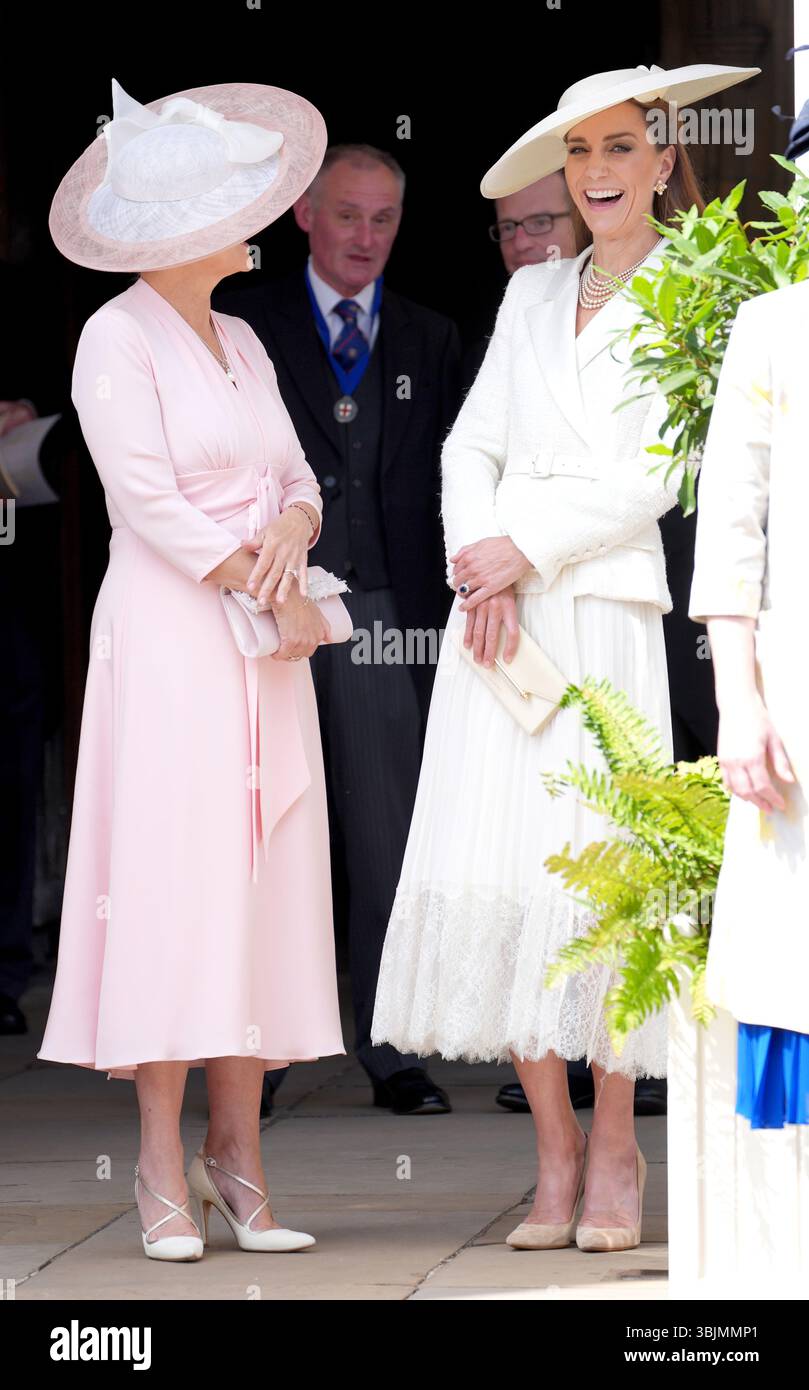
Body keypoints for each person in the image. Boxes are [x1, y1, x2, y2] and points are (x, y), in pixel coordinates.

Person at [371, 61, 758, 1253]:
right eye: (577, 153)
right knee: (507, 878)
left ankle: (614, 1150)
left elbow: (656, 475)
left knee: (593, 889)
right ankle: (545, 1163)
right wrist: (474, 557)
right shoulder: (532, 293)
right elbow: (467, 441)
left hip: (598, 611)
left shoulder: (702, 297)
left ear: (660, 159)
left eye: (618, 150)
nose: (595, 173)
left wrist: (517, 550)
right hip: (497, 620)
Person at [37, 77, 346, 1261]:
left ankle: (240, 1150)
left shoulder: (247, 337)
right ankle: (161, 1161)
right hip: (173, 638)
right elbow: (145, 498)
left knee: (256, 880)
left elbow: (297, 471)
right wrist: (250, 572)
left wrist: (297, 531)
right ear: (177, 228)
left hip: (262, 640)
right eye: (234, 199)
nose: (258, 213)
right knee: (173, 882)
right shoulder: (112, 335)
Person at [215, 145, 460, 1116]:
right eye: (347, 216)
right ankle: (259, 1049)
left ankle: (388, 1042)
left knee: (384, 833)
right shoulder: (242, 323)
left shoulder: (431, 335)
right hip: (266, 603)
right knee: (264, 829)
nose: (365, 236)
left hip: (386, 616)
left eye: (383, 219)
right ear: (306, 218)